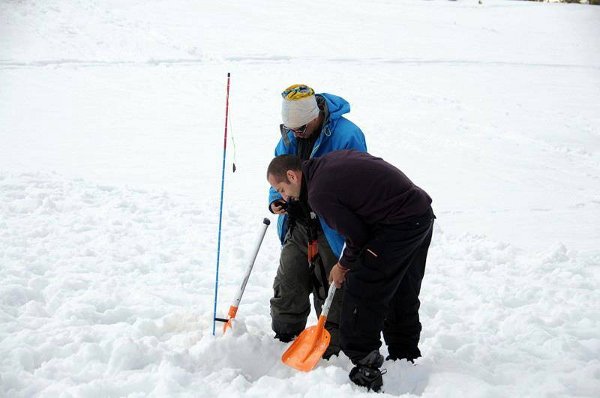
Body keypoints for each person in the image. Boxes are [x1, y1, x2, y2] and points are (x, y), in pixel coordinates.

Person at [267, 150, 435, 392]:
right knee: (401, 287)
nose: (284, 196)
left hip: (401, 225)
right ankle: (403, 356)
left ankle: (366, 365)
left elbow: (357, 236)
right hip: (420, 214)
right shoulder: (322, 166)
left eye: (281, 189)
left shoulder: (319, 194)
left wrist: (342, 266)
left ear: (292, 176)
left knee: (362, 285)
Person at [268, 84, 367, 358]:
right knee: (289, 279)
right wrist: (276, 199)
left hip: (331, 225)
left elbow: (359, 182)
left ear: (314, 117)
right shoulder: (288, 135)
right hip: (297, 222)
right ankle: (285, 336)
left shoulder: (348, 135)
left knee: (332, 283)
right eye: (290, 129)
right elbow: (278, 171)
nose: (295, 134)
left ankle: (332, 345)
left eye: (300, 128)